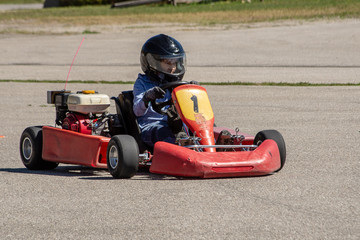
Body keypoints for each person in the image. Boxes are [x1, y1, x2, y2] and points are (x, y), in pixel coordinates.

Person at [133, 34, 186, 147]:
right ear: (153, 62)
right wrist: (147, 97)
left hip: (174, 124)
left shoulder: (175, 83)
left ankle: (218, 145)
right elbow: (137, 111)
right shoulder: (142, 83)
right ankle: (182, 148)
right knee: (164, 133)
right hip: (151, 127)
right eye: (168, 63)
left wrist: (193, 91)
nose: (172, 67)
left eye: (175, 63)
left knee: (199, 128)